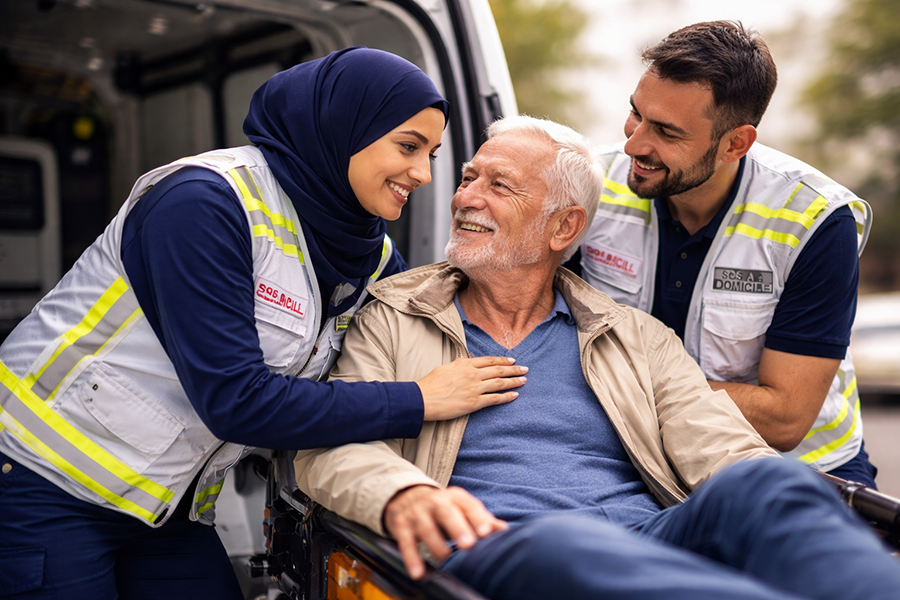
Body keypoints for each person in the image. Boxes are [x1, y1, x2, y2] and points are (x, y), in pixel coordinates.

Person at [293, 115, 900, 600]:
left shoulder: (634, 336)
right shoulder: (393, 315)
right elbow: (333, 443)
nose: (465, 198)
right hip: (501, 542)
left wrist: (772, 495)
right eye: (469, 177)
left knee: (769, 481)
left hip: (645, 537)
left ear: (563, 229)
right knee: (566, 542)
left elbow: (721, 447)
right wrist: (403, 493)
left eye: (498, 186)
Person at [0, 48, 527, 599]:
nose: (422, 173)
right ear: (343, 127)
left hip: (166, 503)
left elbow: (411, 332)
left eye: (433, 154)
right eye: (408, 146)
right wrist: (418, 399)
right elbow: (238, 400)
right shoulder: (205, 203)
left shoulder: (367, 253)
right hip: (46, 483)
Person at [569, 21, 876, 487]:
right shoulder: (591, 183)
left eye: (667, 133)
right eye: (636, 114)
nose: (635, 144)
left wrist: (625, 385)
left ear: (736, 144)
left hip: (797, 472)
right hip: (636, 453)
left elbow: (785, 418)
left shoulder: (815, 219)